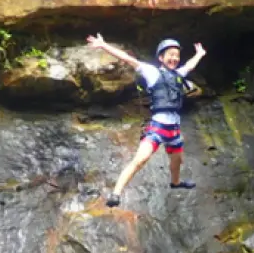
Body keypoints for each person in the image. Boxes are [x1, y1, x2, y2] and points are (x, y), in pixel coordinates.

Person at [86, 34, 207, 207]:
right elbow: (127, 59)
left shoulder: (178, 74)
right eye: (170, 55)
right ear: (161, 57)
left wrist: (200, 54)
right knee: (140, 159)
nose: (174, 58)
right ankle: (116, 193)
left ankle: (175, 182)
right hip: (158, 126)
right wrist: (104, 45)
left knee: (177, 160)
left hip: (174, 128)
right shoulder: (152, 72)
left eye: (176, 55)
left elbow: (189, 65)